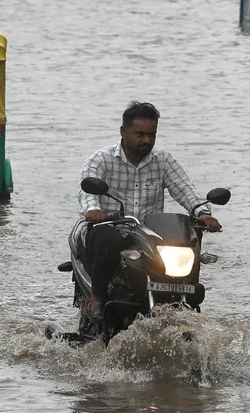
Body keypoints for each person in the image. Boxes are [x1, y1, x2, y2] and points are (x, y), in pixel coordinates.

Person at [77, 101, 222, 319]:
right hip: (110, 227)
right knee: (109, 239)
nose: (146, 140)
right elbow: (87, 191)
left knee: (185, 242)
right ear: (123, 132)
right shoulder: (102, 159)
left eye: (152, 135)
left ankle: (185, 300)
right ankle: (97, 297)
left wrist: (202, 213)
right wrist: (93, 210)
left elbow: (184, 189)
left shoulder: (162, 160)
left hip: (149, 234)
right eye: (140, 134)